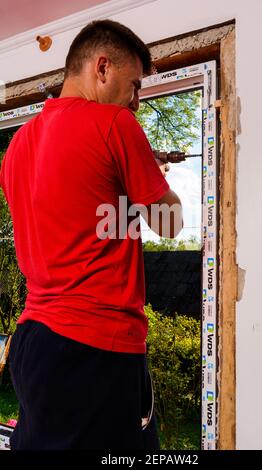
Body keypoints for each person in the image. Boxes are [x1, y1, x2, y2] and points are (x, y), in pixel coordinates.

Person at [0, 19, 183, 450]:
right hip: (94, 346)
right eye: (134, 85)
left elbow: (78, 218)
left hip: (33, 343)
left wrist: (125, 181)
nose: (136, 102)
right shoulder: (114, 125)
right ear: (102, 68)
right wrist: (152, 175)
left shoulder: (18, 148)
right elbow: (170, 222)